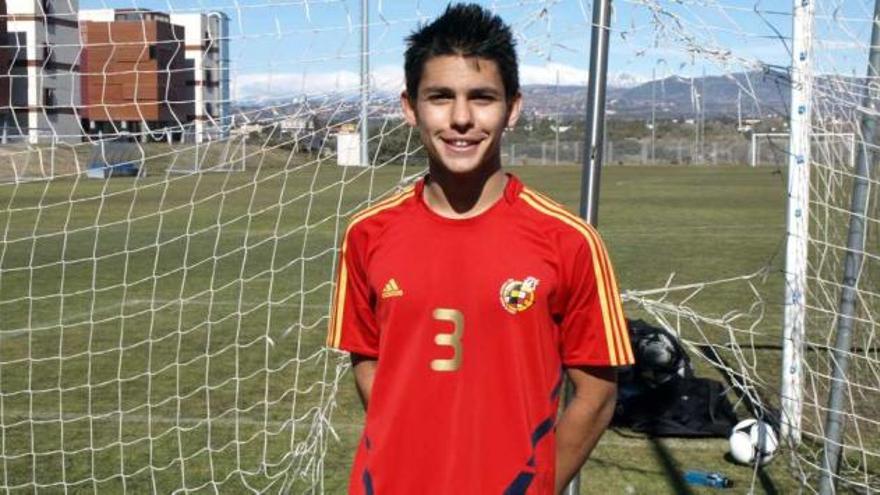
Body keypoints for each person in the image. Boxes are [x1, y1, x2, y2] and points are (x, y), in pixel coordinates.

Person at [325, 3, 634, 494]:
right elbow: (368, 360)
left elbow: (596, 395)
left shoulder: (570, 240)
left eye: (482, 97)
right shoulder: (366, 233)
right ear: (411, 107)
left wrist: (535, 485)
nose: (462, 118)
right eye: (441, 97)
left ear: (512, 107)